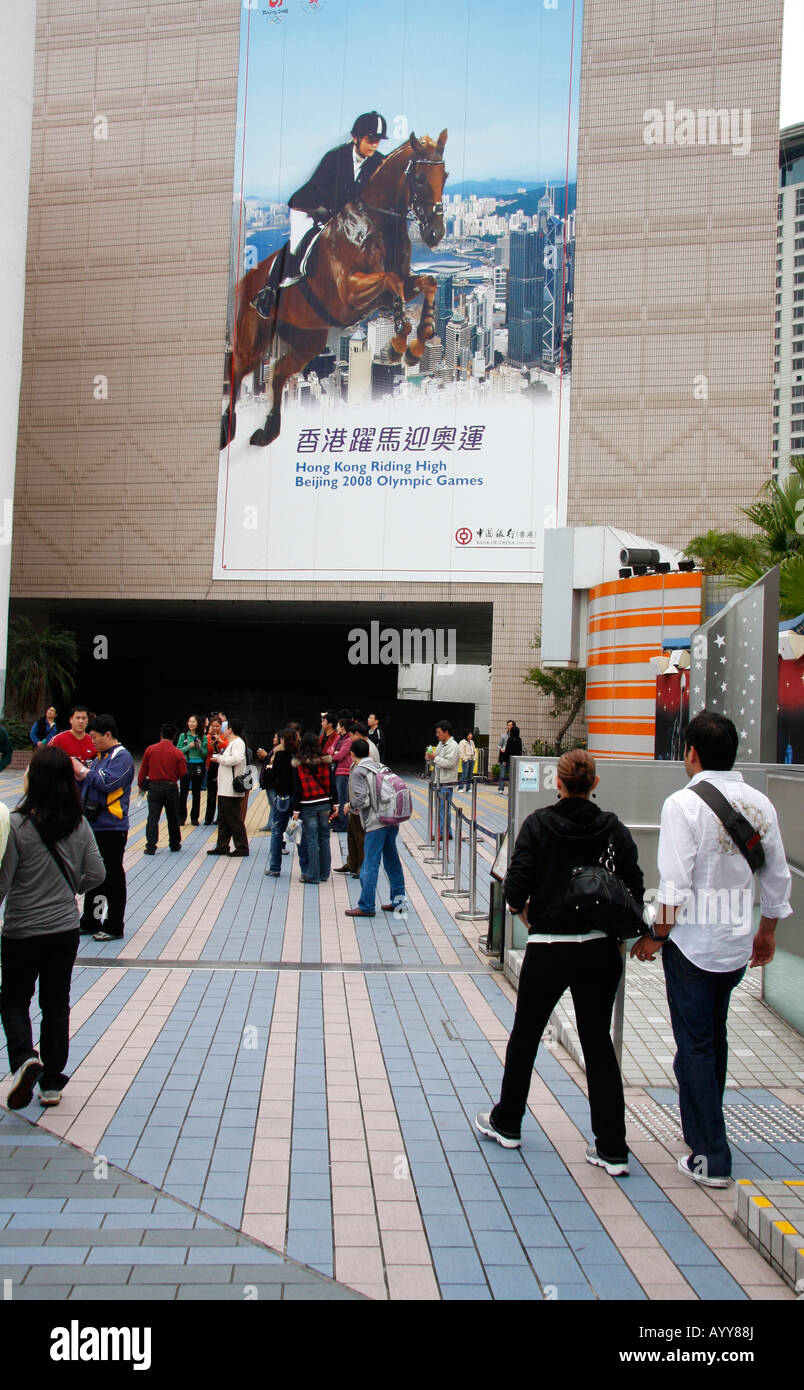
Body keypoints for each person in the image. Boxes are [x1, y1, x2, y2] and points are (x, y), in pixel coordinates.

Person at [631, 712, 792, 1188]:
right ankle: (701, 1131)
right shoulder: (760, 802)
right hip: (737, 945)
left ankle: (710, 1156)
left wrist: (654, 937)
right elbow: (777, 875)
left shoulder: (683, 804)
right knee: (712, 1039)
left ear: (692, 753)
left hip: (693, 947)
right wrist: (767, 934)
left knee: (695, 1048)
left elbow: (674, 887)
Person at [476, 749, 643, 1174]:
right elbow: (635, 888)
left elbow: (515, 886)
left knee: (527, 1034)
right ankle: (612, 1147)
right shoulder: (613, 829)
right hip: (600, 949)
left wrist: (523, 911)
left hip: (549, 945)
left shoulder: (538, 825)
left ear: (558, 782)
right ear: (595, 783)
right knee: (596, 1042)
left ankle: (508, 1122)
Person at [0, 747, 105, 1108]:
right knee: (56, 1003)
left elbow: (3, 881)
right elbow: (98, 873)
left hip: (21, 930)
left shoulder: (17, 824)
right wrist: (71, 888)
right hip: (63, 930)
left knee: (14, 999)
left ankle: (23, 1059)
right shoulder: (79, 824)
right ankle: (51, 1083)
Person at [251, 112, 388, 318]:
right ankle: (268, 292)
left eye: (377, 140)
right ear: (355, 138)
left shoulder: (378, 162)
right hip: (309, 207)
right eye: (370, 140)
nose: (374, 145)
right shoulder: (335, 158)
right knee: (298, 245)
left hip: (342, 214)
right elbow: (322, 193)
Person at [74, 714, 135, 942]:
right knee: (95, 875)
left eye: (95, 737)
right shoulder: (101, 756)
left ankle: (114, 924)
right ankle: (91, 919)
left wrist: (83, 771)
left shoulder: (122, 757)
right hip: (95, 824)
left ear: (108, 735)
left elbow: (107, 782)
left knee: (112, 876)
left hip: (112, 826)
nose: (92, 741)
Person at [345, 738, 406, 918]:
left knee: (370, 863)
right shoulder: (381, 766)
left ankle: (366, 905)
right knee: (392, 862)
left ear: (352, 754)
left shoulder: (359, 771)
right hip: (392, 819)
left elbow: (363, 799)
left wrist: (349, 805)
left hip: (376, 822)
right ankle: (399, 902)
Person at [335, 722, 379, 878]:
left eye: (351, 735)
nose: (350, 739)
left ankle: (362, 865)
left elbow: (368, 782)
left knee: (361, 836)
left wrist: (354, 803)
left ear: (357, 735)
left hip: (362, 805)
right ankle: (352, 863)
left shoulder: (368, 750)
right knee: (352, 834)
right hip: (355, 802)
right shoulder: (363, 747)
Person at [290, 732, 334, 884]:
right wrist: (335, 803)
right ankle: (324, 873)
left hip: (307, 804)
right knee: (325, 838)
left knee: (311, 839)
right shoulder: (325, 761)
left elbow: (297, 789)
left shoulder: (298, 763)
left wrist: (295, 810)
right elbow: (332, 783)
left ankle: (312, 875)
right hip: (325, 803)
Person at [138, 723, 186, 857]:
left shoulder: (150, 750)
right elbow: (183, 772)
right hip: (171, 787)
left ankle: (151, 846)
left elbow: (143, 770)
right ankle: (174, 844)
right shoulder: (178, 752)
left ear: (161, 734)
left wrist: (141, 784)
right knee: (172, 816)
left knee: (153, 817)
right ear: (174, 737)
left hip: (154, 787)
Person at [207, 716, 249, 857]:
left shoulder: (238, 743)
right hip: (225, 788)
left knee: (234, 818)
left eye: (226, 728)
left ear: (230, 729)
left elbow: (237, 759)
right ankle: (222, 846)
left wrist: (220, 759)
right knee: (225, 818)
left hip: (231, 788)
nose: (224, 730)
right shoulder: (232, 743)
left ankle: (242, 846)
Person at [265, 727, 299, 876]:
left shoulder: (280, 755)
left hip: (283, 796)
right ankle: (305, 869)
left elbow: (273, 776)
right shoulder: (300, 756)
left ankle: (274, 868)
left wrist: (269, 769)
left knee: (277, 831)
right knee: (300, 832)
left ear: (283, 740)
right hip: (298, 798)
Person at [425, 720, 459, 842]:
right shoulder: (441, 744)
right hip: (439, 780)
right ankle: (446, 832)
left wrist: (435, 757)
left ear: (446, 732)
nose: (437, 735)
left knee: (443, 809)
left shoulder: (453, 746)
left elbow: (450, 763)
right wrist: (430, 758)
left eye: (439, 732)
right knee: (442, 808)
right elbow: (437, 760)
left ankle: (442, 833)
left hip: (446, 781)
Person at [51, 705, 96, 777]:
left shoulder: (94, 741)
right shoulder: (58, 739)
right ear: (71, 720)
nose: (80, 721)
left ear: (88, 720)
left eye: (84, 718)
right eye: (77, 718)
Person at [177, 715, 205, 826]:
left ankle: (194, 818)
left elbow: (204, 754)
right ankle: (181, 817)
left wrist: (199, 747)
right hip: (185, 765)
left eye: (193, 722)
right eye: (190, 721)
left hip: (198, 765)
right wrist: (189, 746)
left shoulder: (202, 737)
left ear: (198, 723)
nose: (191, 724)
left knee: (196, 793)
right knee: (183, 793)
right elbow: (178, 750)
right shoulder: (183, 736)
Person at [329, 713, 353, 831]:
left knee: (342, 798)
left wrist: (335, 753)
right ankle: (338, 821)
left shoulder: (349, 740)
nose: (336, 728)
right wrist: (335, 752)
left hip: (344, 772)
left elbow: (340, 756)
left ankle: (343, 824)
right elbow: (330, 750)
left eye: (338, 726)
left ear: (343, 727)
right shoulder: (339, 738)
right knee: (337, 798)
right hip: (337, 771)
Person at [204, 717, 227, 825]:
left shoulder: (224, 737)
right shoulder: (207, 737)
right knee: (211, 794)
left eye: (217, 726)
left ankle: (220, 817)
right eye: (213, 726)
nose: (215, 728)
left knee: (222, 793)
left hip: (222, 766)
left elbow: (226, 747)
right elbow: (206, 751)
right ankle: (208, 818)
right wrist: (212, 744)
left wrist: (220, 741)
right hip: (211, 766)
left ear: (221, 726)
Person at [256, 732, 280, 832]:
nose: (273, 738)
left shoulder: (279, 750)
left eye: (275, 737)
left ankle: (273, 823)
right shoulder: (274, 749)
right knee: (272, 803)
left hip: (273, 781)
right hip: (269, 780)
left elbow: (275, 763)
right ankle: (271, 823)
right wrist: (263, 757)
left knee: (274, 803)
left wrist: (266, 756)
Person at [498, 719, 522, 794]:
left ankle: (510, 790)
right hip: (504, 756)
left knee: (512, 774)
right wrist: (501, 749)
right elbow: (499, 745)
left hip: (510, 758)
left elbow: (515, 750)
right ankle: (501, 788)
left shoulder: (516, 738)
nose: (509, 726)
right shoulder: (503, 736)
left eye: (510, 725)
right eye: (508, 725)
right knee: (503, 773)